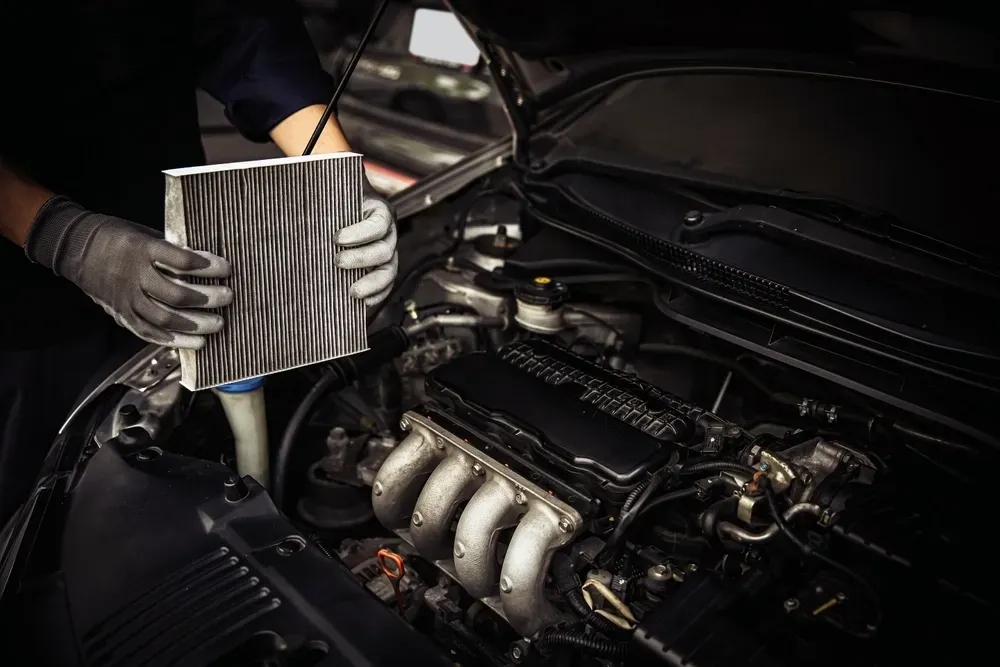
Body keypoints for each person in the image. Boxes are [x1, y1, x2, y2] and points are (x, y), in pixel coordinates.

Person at [0, 0, 398, 524]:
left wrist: (339, 180)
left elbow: (247, 26)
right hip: (22, 312)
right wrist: (62, 237)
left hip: (180, 255)